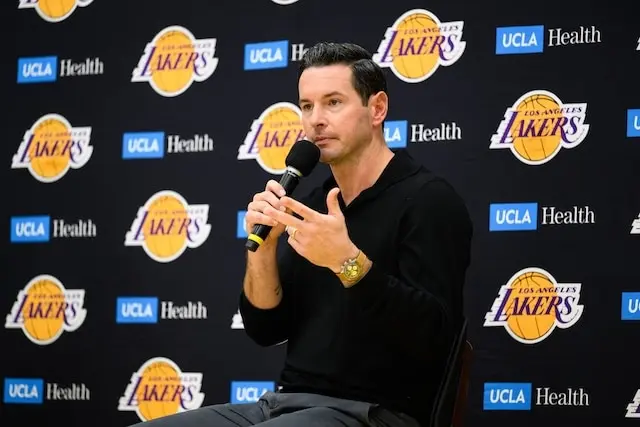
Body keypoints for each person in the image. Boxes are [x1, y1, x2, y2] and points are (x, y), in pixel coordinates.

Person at [129, 42, 473, 427]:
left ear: (377, 108)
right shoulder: (309, 204)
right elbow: (265, 329)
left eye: (333, 103)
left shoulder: (428, 200)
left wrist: (346, 262)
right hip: (282, 405)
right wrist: (263, 248)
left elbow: (434, 339)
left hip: (376, 412)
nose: (316, 120)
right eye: (307, 106)